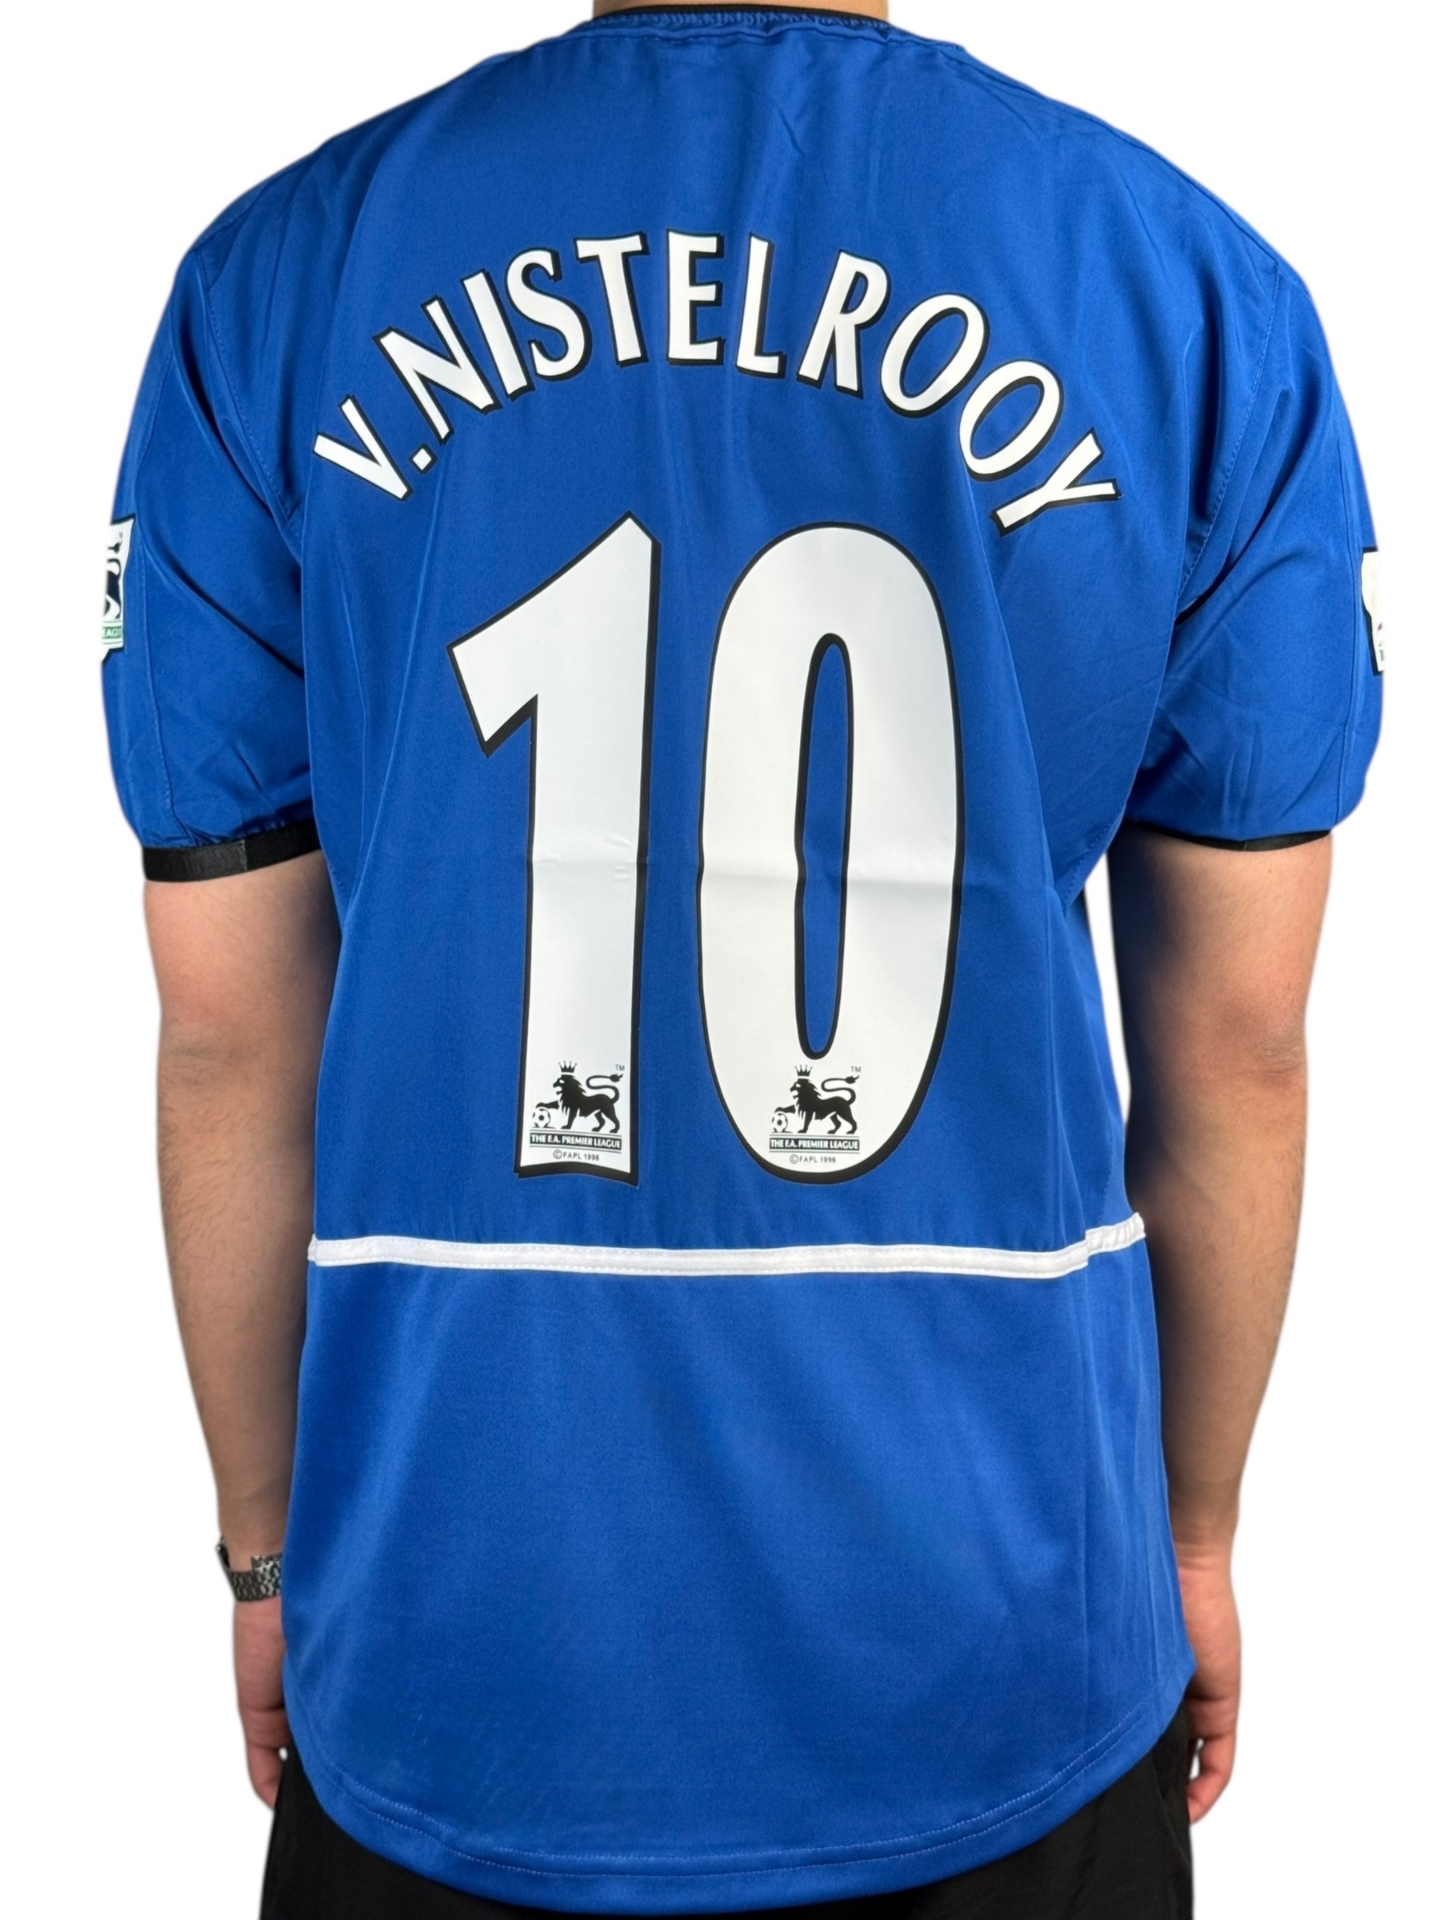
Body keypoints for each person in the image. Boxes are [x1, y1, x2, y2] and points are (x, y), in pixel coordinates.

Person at [100, 3, 1381, 1915]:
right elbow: (1240, 1043)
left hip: (451, 1644)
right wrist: (1189, 1541)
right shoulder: (1191, 293)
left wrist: (272, 1553)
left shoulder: (280, 282)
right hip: (1007, 1637)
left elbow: (227, 1033)